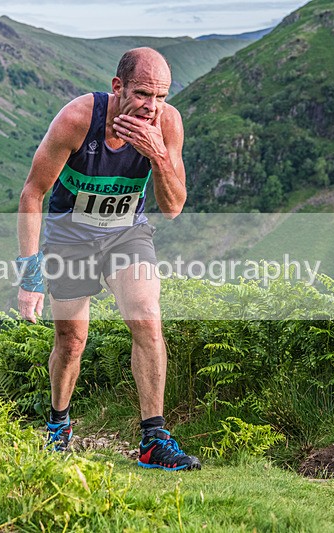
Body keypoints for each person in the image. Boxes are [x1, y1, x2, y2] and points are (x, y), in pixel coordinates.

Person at [16, 48, 200, 470]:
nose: (151, 106)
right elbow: (32, 193)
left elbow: (173, 207)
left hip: (125, 233)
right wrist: (29, 276)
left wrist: (158, 156)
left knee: (147, 317)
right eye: (142, 94)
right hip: (71, 235)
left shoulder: (167, 123)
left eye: (160, 96)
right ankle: (58, 425)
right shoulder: (78, 119)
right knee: (72, 340)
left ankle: (153, 439)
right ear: (117, 87)